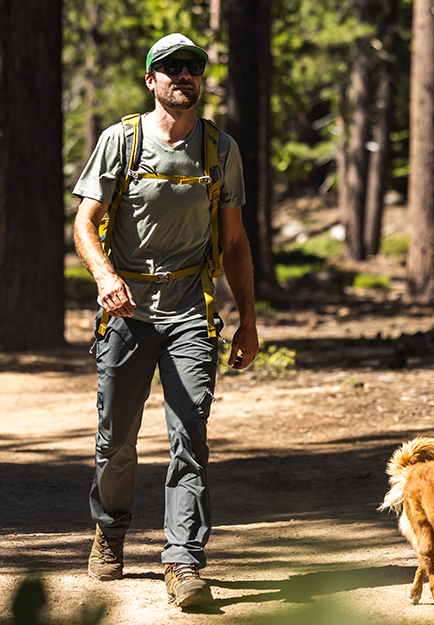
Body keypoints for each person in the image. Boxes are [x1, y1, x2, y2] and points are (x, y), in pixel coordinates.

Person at [71, 32, 259, 609]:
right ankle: (110, 530)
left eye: (192, 69)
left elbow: (234, 242)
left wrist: (248, 318)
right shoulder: (120, 141)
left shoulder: (219, 150)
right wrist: (105, 277)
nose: (184, 76)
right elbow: (84, 223)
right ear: (151, 80)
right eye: (171, 68)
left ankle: (183, 560)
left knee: (189, 440)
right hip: (126, 313)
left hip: (189, 316)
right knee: (116, 443)